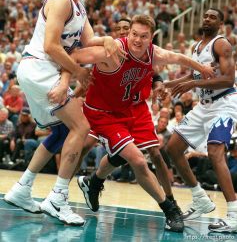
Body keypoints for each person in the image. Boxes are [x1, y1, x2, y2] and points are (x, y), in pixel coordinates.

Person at [4, 0, 124, 226]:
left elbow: (88, 41)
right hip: (40, 67)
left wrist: (107, 40)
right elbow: (51, 46)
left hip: (38, 70)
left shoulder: (79, 8)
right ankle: (57, 199)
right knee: (81, 127)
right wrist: (78, 72)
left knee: (60, 132)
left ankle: (22, 189)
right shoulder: (60, 0)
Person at [75, 14, 214, 233]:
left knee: (129, 155)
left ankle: (93, 182)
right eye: (134, 35)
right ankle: (170, 209)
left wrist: (202, 68)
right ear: (128, 33)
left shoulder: (153, 54)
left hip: (129, 109)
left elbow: (178, 58)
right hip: (104, 114)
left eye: (144, 36)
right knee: (138, 161)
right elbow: (75, 55)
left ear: (151, 38)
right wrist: (74, 75)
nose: (138, 40)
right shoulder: (111, 52)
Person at [166, 8, 237, 232]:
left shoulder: (222, 44)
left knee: (215, 152)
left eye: (213, 17)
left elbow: (227, 79)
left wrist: (194, 85)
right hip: (204, 106)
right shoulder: (197, 46)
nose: (207, 18)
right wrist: (167, 85)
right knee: (173, 148)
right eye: (205, 15)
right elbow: (195, 75)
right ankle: (200, 198)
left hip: (224, 104)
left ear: (221, 23)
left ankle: (234, 214)